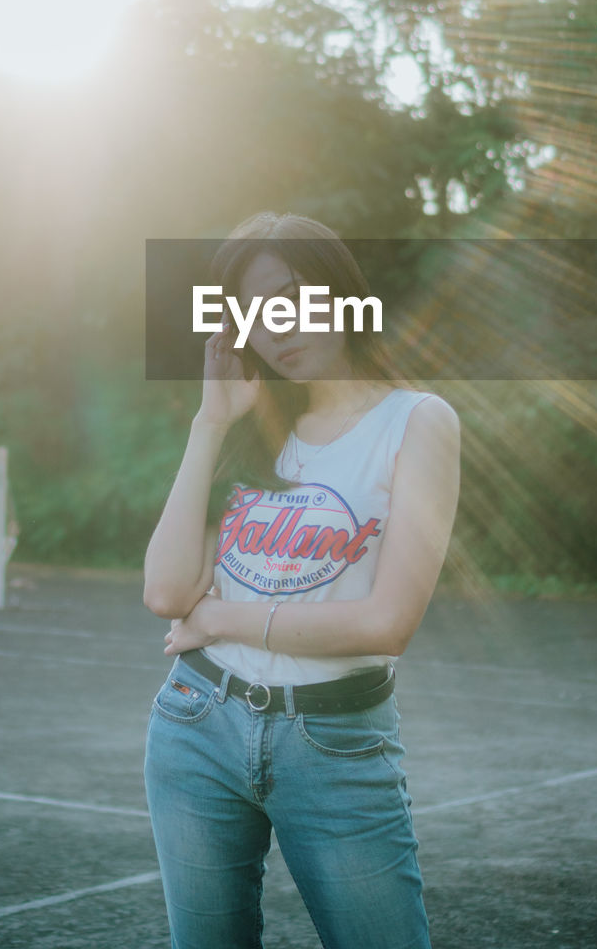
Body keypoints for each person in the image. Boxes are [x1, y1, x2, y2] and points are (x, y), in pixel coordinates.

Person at [142, 211, 462, 949]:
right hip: (196, 725)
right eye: (254, 311)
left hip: (336, 742)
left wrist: (221, 619)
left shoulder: (417, 422)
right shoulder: (253, 429)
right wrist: (210, 421)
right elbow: (164, 593)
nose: (277, 325)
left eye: (291, 294)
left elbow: (388, 624)